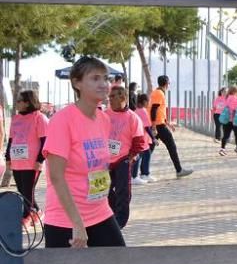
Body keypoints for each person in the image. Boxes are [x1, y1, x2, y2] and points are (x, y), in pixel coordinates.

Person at [42, 56, 126, 250]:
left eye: (105, 78)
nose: (104, 84)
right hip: (66, 219)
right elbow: (56, 176)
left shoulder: (103, 120)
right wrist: (77, 223)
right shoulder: (62, 120)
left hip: (100, 212)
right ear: (77, 83)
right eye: (95, 78)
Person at [105, 85, 146, 229]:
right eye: (109, 96)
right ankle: (113, 214)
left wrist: (132, 156)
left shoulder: (133, 118)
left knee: (123, 191)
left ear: (122, 97)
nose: (109, 99)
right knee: (105, 190)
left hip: (123, 159)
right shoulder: (105, 115)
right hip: (105, 161)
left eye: (113, 96)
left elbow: (139, 140)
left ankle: (121, 220)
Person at [6, 89, 48, 221]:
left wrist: (40, 160)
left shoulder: (39, 118)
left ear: (27, 102)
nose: (16, 103)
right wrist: (8, 157)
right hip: (17, 162)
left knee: (28, 191)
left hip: (31, 163)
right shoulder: (16, 118)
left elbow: (45, 141)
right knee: (23, 191)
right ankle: (37, 212)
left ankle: (26, 216)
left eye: (19, 101)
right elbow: (11, 140)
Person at [149, 75, 193, 178]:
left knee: (149, 149)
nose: (169, 85)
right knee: (171, 146)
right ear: (166, 83)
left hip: (160, 124)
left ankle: (139, 171)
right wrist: (154, 126)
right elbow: (153, 110)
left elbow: (159, 111)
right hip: (158, 126)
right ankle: (179, 170)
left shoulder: (158, 93)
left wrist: (167, 123)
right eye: (169, 83)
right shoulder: (159, 93)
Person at [132, 93, 157, 184]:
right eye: (148, 101)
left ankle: (144, 173)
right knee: (139, 156)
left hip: (141, 138)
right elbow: (147, 127)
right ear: (144, 102)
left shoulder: (136, 110)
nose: (149, 103)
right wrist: (153, 138)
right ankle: (134, 176)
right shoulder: (142, 111)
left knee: (146, 154)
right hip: (141, 138)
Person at [218, 85, 237, 155]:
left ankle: (222, 149)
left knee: (226, 135)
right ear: (235, 92)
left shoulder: (227, 97)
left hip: (226, 120)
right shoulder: (234, 98)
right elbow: (234, 109)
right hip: (232, 120)